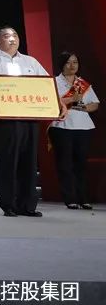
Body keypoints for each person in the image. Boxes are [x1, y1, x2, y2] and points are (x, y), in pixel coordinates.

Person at [0, 25, 65, 217]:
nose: (12, 39)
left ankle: (27, 205)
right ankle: (8, 203)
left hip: (29, 117)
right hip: (5, 119)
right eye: (6, 36)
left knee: (29, 161)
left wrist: (60, 103)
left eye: (15, 35)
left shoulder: (30, 61)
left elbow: (47, 84)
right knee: (7, 161)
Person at [48, 51, 97, 210]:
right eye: (68, 62)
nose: (72, 65)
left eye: (75, 62)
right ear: (62, 64)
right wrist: (71, 99)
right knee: (65, 164)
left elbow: (94, 104)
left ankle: (84, 198)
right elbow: (51, 102)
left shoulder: (83, 83)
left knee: (81, 164)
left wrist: (81, 106)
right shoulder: (54, 82)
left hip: (83, 127)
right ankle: (70, 198)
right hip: (62, 127)